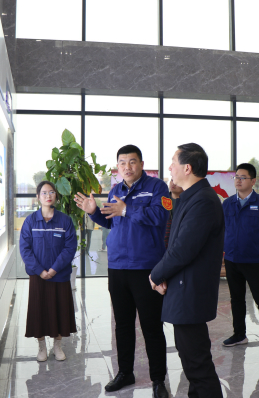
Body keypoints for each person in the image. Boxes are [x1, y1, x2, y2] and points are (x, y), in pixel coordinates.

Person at [74, 145, 170, 398]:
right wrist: (94, 212)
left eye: (132, 161)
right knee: (123, 324)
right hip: (117, 267)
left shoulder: (157, 187)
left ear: (142, 164)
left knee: (151, 326)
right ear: (118, 166)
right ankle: (125, 372)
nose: (127, 167)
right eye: (122, 163)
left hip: (146, 267)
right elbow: (110, 221)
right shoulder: (116, 190)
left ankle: (158, 379)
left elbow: (160, 216)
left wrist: (126, 209)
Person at [150, 143, 225, 398]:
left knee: (197, 365)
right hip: (184, 289)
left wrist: (156, 274)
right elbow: (174, 243)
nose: (170, 167)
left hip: (190, 293)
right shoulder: (189, 197)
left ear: (187, 168)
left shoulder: (203, 201)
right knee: (192, 361)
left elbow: (183, 249)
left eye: (173, 162)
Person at [221, 163, 259, 357]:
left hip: (254, 261)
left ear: (253, 181)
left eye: (243, 177)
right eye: (236, 177)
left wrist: (258, 249)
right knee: (236, 299)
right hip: (232, 259)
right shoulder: (227, 204)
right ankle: (239, 334)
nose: (238, 180)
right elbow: (222, 229)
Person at [19, 181, 77, 362]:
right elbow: (25, 249)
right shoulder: (30, 221)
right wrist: (40, 271)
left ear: (56, 196)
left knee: (60, 311)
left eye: (51, 192)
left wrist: (53, 269)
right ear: (38, 197)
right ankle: (42, 347)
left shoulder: (65, 221)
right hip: (38, 277)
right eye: (44, 193)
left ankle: (57, 346)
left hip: (59, 275)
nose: (48, 196)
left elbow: (70, 248)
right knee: (39, 312)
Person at [164, 179, 183, 248]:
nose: (173, 183)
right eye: (172, 180)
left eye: (177, 181)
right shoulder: (162, 200)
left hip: (179, 244)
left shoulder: (188, 203)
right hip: (162, 243)